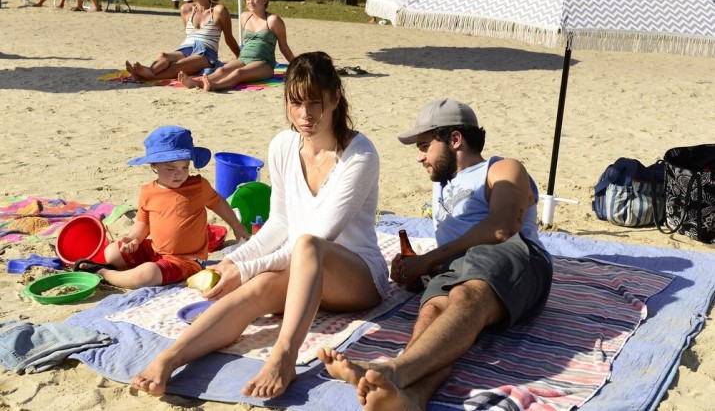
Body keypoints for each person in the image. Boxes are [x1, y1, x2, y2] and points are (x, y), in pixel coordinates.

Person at [130, 51, 389, 399]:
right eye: (295, 103)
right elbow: (279, 222)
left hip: (357, 278)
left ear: (335, 98)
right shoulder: (283, 145)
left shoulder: (360, 155)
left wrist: (247, 268)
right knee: (257, 287)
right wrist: (234, 261)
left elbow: (316, 238)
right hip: (302, 271)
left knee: (303, 247)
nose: (305, 114)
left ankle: (284, 356)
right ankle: (169, 359)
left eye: (315, 102)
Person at [318, 99, 554, 410]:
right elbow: (456, 248)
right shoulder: (441, 182)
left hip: (515, 256)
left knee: (466, 294)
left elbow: (503, 226)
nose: (420, 157)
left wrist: (429, 259)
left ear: (455, 139)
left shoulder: (502, 168)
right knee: (432, 315)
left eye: (425, 146)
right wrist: (420, 269)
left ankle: (394, 370)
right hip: (458, 267)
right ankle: (412, 397)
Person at [75, 125, 248, 289]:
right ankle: (120, 271)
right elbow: (143, 222)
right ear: (153, 165)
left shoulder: (198, 186)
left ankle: (104, 273)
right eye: (171, 169)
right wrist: (134, 238)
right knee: (113, 252)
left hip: (187, 260)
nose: (179, 173)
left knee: (148, 274)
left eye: (185, 167)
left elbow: (218, 203)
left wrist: (236, 225)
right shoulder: (148, 192)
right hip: (156, 250)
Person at [178, 0, 294, 91]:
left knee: (239, 73)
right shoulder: (244, 17)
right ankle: (197, 83)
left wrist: (296, 66)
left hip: (263, 63)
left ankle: (214, 86)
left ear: (264, 0)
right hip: (244, 58)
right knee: (222, 70)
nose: (250, 2)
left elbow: (284, 47)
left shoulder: (273, 20)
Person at [125, 0, 239, 82]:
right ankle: (149, 72)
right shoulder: (186, 9)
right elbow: (189, 36)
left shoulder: (218, 11)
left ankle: (147, 76)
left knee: (178, 66)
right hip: (186, 47)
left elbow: (229, 38)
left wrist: (241, 59)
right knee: (163, 56)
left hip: (206, 53)